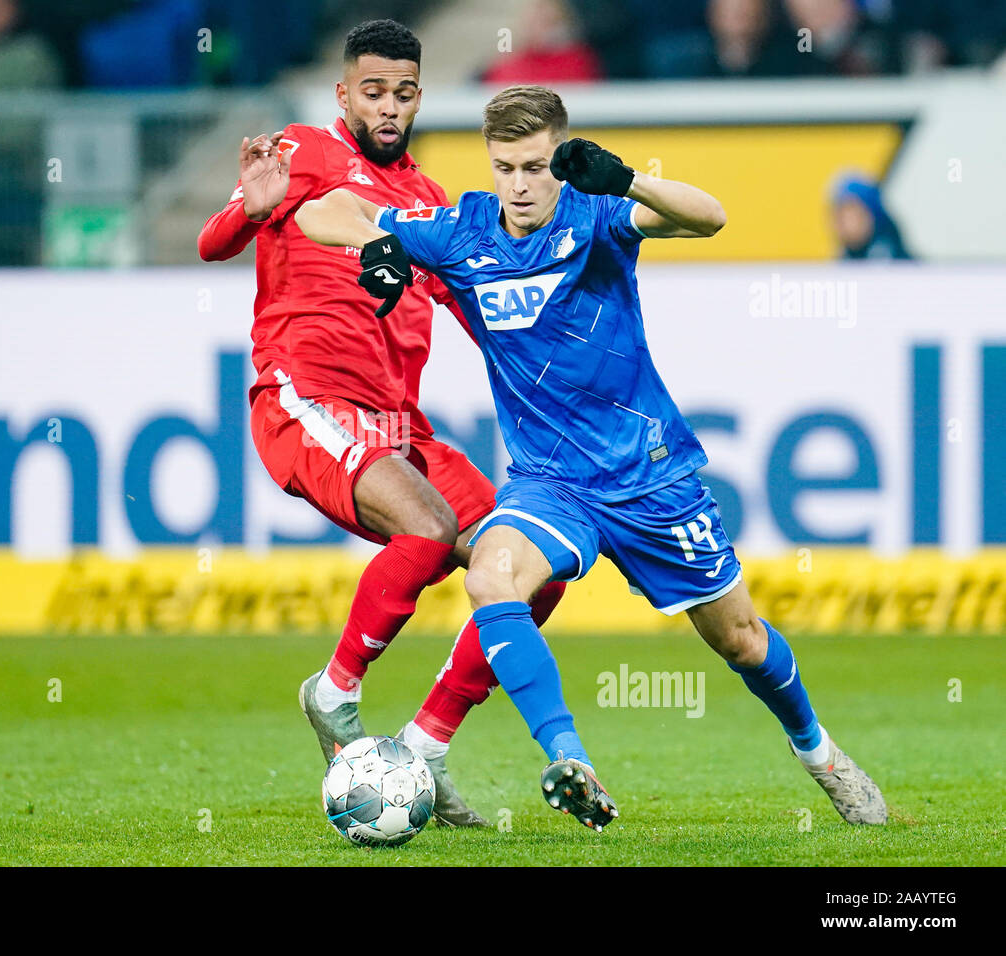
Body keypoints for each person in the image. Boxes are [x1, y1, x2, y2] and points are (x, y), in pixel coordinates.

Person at [294, 84, 888, 831]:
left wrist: (630, 179)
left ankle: (820, 754)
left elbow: (710, 217)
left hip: (649, 477)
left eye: (535, 167)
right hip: (552, 485)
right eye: (505, 167)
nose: (518, 185)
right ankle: (567, 757)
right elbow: (322, 212)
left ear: (559, 159)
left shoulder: (597, 215)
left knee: (742, 640)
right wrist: (375, 244)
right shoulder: (463, 229)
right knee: (491, 572)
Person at [198, 21, 569, 828]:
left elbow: (474, 311)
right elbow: (211, 242)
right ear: (344, 95)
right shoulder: (301, 154)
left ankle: (426, 747)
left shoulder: (431, 202)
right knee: (430, 528)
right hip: (307, 399)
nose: (389, 106)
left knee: (533, 569)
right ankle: (333, 696)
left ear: (419, 97)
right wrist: (250, 213)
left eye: (403, 92)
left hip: (400, 424)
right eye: (373, 91)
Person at [830, 172, 912, 260]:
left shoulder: (900, 262)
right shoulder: (844, 262)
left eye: (852, 216)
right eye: (839, 218)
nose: (845, 225)